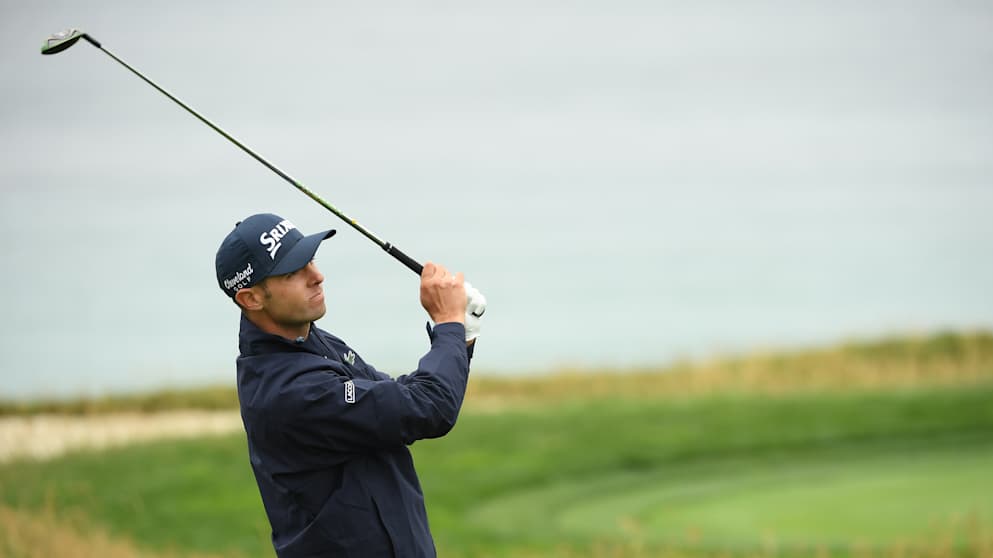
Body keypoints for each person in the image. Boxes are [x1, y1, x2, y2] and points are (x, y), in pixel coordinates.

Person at [214, 213, 485, 557]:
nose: (317, 276)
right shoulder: (290, 391)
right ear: (251, 299)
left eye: (310, 259)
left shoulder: (311, 341)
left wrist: (459, 339)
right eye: (293, 272)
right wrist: (448, 324)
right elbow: (427, 409)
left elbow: (403, 401)